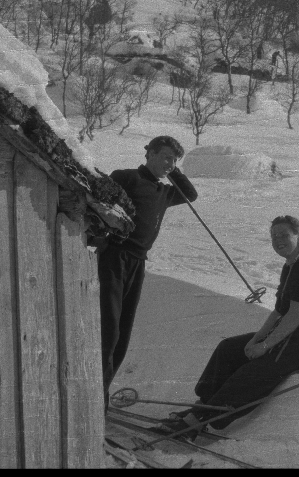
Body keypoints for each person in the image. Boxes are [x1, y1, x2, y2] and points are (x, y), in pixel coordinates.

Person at [156, 215, 299, 437]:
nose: (278, 240)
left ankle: (198, 421)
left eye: (284, 235)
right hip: (295, 331)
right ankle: (202, 407)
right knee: (229, 349)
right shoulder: (291, 265)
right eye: (274, 236)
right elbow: (280, 310)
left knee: (254, 370)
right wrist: (256, 339)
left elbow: (294, 317)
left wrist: (265, 345)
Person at [96, 135, 198, 406]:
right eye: (165, 157)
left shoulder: (164, 191)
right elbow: (99, 198)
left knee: (124, 332)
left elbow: (191, 194)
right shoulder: (127, 177)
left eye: (175, 160)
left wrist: (173, 170)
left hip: (138, 263)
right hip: (115, 256)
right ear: (149, 154)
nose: (170, 164)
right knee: (109, 329)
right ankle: (95, 395)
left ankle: (101, 392)